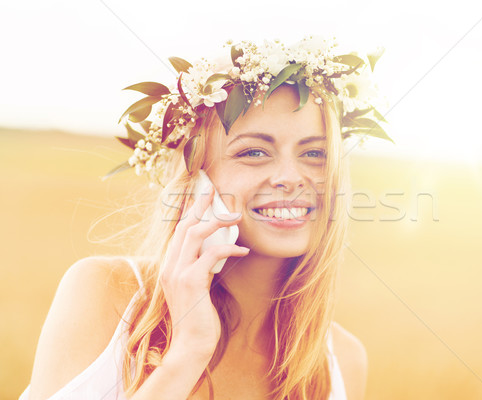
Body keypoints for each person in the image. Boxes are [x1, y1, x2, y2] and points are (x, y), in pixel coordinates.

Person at [19, 37, 390, 400]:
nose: (291, 177)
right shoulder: (106, 295)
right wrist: (186, 355)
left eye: (314, 153)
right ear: (196, 179)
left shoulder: (344, 360)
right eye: (255, 152)